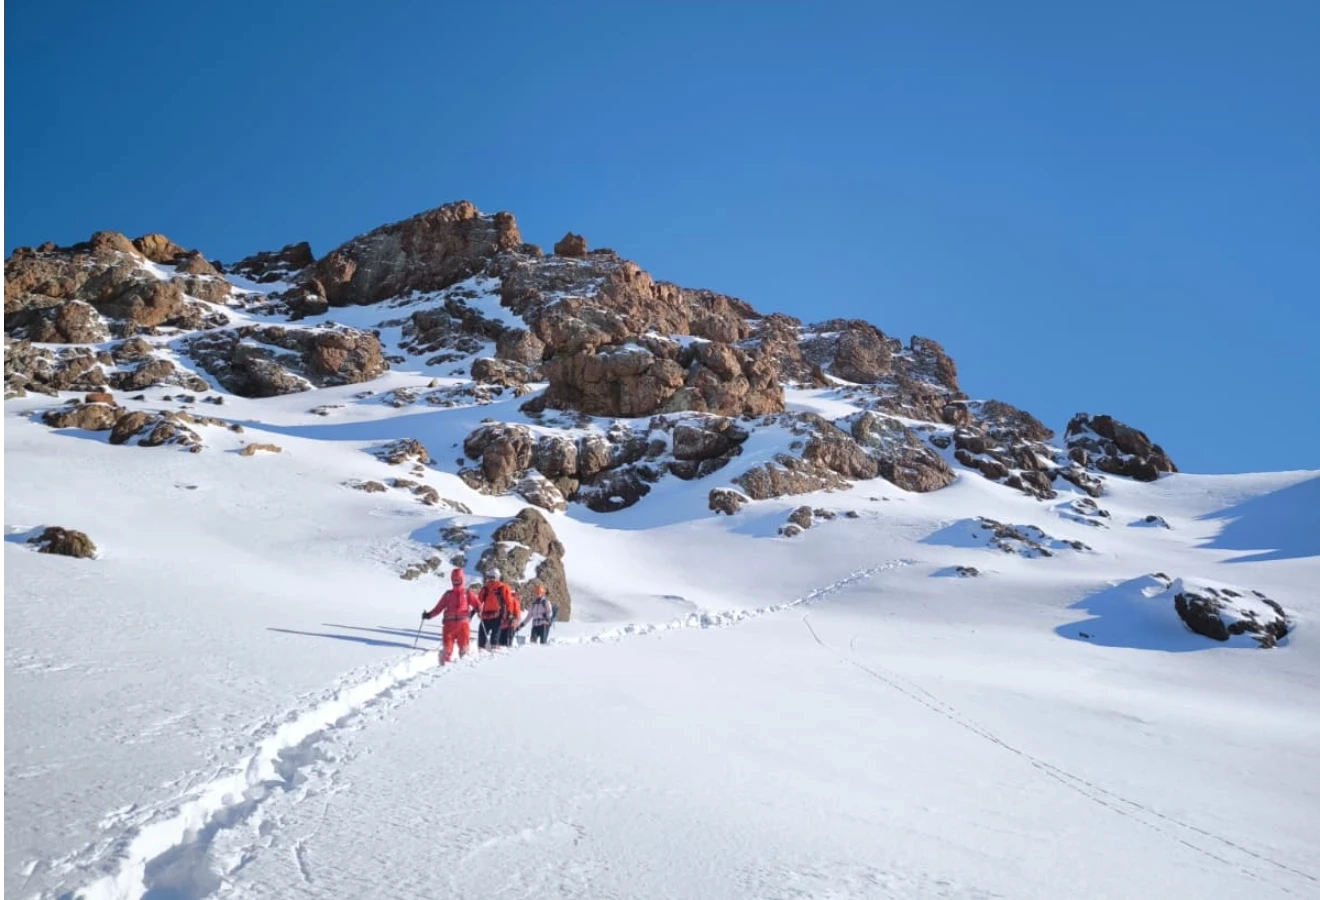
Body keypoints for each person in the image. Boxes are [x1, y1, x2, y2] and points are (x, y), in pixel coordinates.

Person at [422, 568, 479, 665]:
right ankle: (444, 666)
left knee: (464, 648)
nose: (456, 582)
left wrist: (479, 609)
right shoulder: (448, 594)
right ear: (452, 580)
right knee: (447, 648)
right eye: (454, 580)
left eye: (458, 580)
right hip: (449, 626)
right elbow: (439, 608)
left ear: (462, 580)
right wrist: (429, 615)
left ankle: (463, 668)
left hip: (463, 625)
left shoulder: (467, 593)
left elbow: (477, 603)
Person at [477, 569, 516, 651]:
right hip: (486, 616)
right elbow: (478, 601)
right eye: (490, 577)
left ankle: (494, 652)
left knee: (494, 638)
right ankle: (482, 651)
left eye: (493, 577)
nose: (491, 579)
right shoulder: (486, 588)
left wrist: (510, 614)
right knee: (482, 638)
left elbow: (509, 602)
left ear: (497, 577)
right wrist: (474, 611)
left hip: (498, 616)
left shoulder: (502, 587)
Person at [499, 581, 522, 647]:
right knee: (504, 643)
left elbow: (517, 613)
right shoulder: (505, 599)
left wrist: (515, 621)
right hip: (504, 624)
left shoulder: (514, 599)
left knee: (505, 643)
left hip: (509, 624)